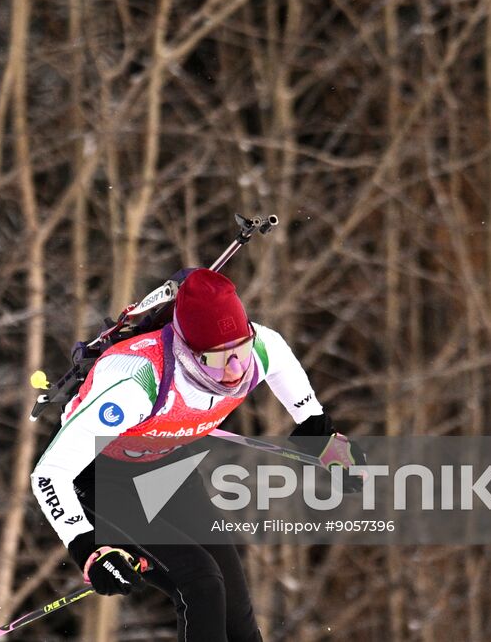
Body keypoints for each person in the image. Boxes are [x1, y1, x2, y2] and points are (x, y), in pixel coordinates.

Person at [30, 267, 362, 642]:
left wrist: (327, 443)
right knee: (201, 582)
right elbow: (49, 473)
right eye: (218, 359)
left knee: (236, 613)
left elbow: (310, 416)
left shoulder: (263, 349)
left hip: (162, 465)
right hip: (97, 476)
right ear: (188, 350)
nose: (234, 371)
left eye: (240, 350)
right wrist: (86, 548)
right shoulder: (136, 380)